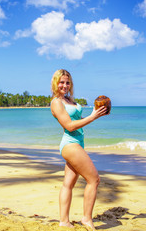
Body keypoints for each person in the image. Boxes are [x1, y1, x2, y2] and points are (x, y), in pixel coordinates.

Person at [50, 69, 109, 230]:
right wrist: (92, 117)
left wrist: (94, 114)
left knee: (68, 184)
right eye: (61, 82)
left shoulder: (69, 100)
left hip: (78, 142)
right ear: (55, 83)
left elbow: (76, 120)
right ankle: (87, 219)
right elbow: (68, 126)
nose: (65, 85)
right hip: (70, 144)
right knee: (94, 179)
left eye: (67, 82)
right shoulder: (56, 102)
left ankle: (64, 221)